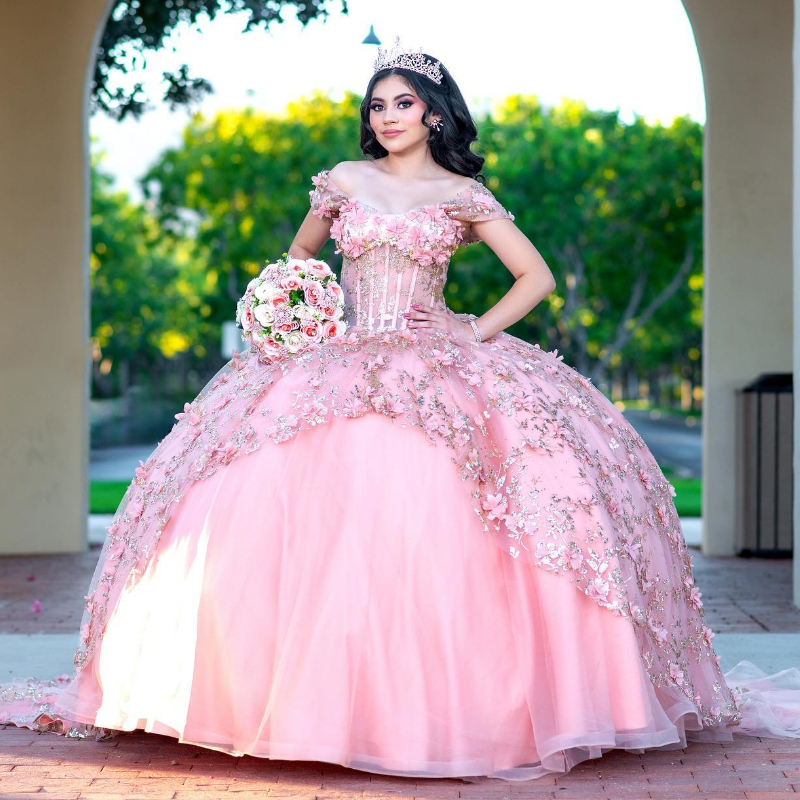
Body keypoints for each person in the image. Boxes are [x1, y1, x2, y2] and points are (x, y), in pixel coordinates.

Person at [1, 41, 798, 783]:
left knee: (442, 522)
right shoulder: (343, 181)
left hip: (433, 362)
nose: (387, 116)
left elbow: (537, 278)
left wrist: (467, 328)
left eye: (403, 103)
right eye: (378, 104)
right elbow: (298, 262)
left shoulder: (461, 195)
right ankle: (268, 701)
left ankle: (456, 715)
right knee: (263, 514)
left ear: (435, 114)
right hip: (336, 360)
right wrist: (298, 314)